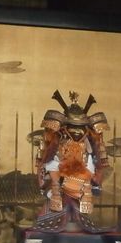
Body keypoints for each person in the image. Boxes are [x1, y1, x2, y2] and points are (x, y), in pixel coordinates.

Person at [33, 90, 111, 233]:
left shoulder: (89, 139)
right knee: (56, 191)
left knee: (83, 192)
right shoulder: (58, 137)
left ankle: (76, 217)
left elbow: (96, 161)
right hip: (60, 176)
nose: (76, 132)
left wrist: (94, 175)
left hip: (82, 178)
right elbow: (48, 161)